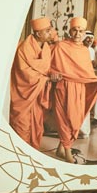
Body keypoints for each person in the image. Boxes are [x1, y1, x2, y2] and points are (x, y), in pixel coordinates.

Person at [50, 17, 97, 163]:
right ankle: (67, 152)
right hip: (63, 87)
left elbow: (88, 73)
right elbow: (50, 65)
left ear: (84, 33)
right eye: (75, 30)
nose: (77, 34)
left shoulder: (85, 51)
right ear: (70, 31)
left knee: (75, 119)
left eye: (81, 31)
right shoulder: (61, 46)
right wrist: (53, 74)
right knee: (64, 118)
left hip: (79, 88)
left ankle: (60, 149)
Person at [9, 17, 59, 149]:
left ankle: (31, 152)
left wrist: (52, 74)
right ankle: (20, 155)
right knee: (22, 126)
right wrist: (46, 79)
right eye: (47, 30)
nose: (51, 32)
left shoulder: (46, 48)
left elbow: (46, 69)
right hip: (24, 95)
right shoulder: (24, 49)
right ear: (38, 33)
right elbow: (24, 74)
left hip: (38, 94)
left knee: (37, 125)